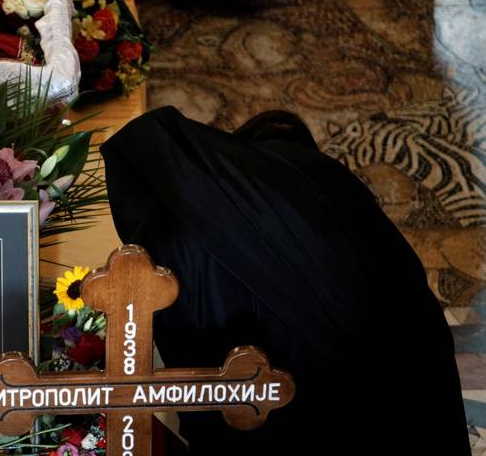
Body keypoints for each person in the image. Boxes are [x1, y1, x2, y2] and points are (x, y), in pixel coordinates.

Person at [100, 107, 470, 455]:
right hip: (395, 367)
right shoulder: (326, 180)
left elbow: (189, 348)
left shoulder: (201, 225)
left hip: (281, 388)